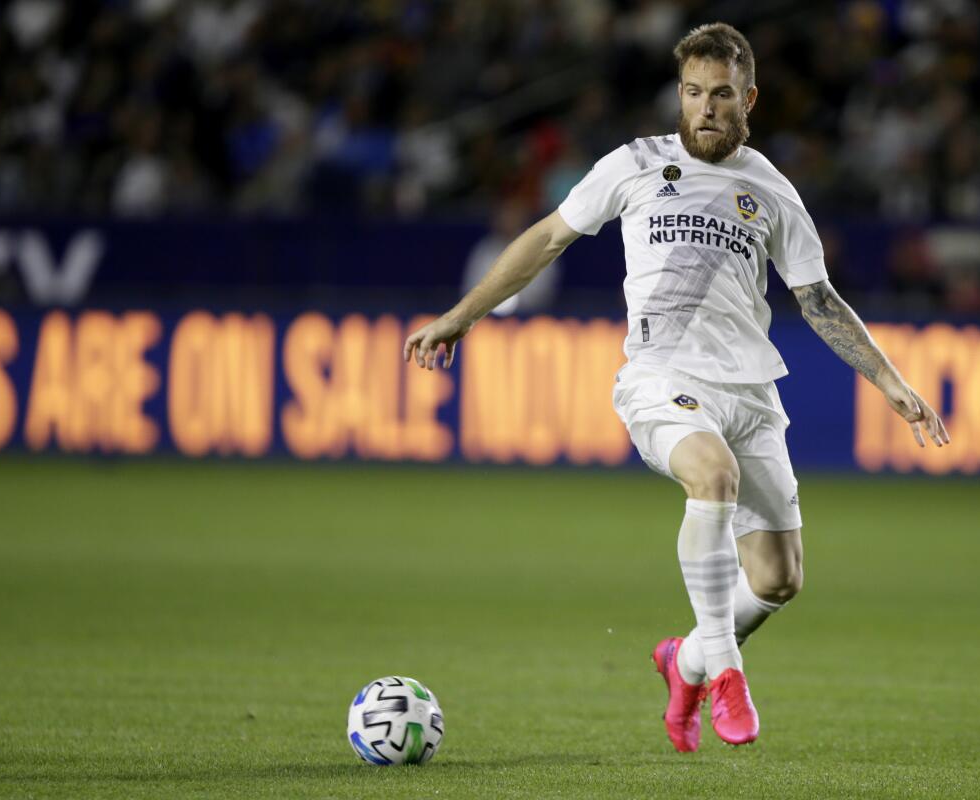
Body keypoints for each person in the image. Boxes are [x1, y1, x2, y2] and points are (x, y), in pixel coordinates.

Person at [403, 23, 949, 751]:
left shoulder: (771, 190)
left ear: (747, 98)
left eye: (721, 94)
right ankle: (725, 674)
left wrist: (890, 380)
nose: (705, 109)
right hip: (663, 379)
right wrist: (462, 317)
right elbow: (546, 238)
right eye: (692, 94)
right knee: (712, 477)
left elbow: (818, 299)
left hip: (750, 395)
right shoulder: (634, 164)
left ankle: (685, 659)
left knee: (779, 579)